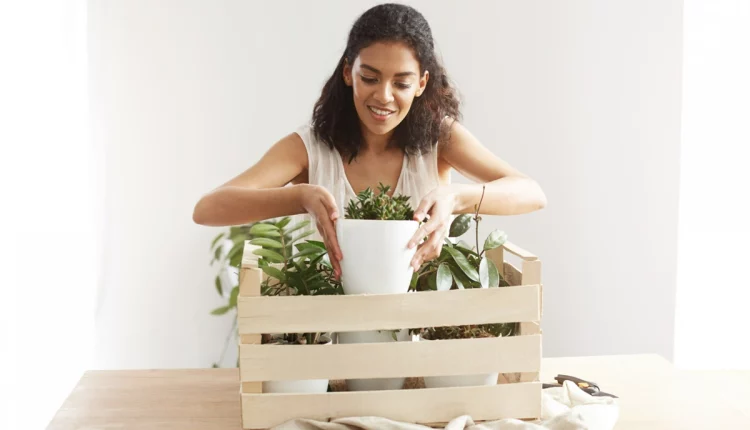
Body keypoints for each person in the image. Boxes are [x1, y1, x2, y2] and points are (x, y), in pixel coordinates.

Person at [193, 3, 546, 280]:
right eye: (370, 77)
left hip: (425, 333)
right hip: (327, 338)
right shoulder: (309, 147)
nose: (384, 97)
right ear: (349, 72)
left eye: (402, 83)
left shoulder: (442, 139)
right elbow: (207, 209)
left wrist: (457, 198)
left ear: (422, 84)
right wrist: (299, 197)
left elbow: (532, 193)